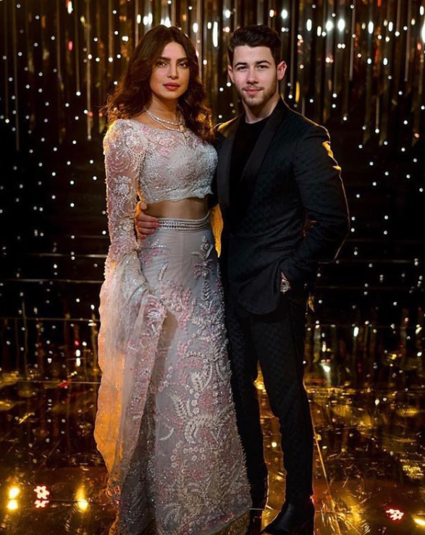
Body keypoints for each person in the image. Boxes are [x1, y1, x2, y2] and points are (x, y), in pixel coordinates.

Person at [135, 25, 350, 535]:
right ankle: (254, 492)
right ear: (231, 73)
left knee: (286, 400)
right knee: (237, 396)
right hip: (227, 289)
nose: (252, 77)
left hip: (276, 295)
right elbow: (198, 199)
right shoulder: (223, 136)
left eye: (262, 66)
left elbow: (334, 222)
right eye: (242, 67)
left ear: (279, 71)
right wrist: (144, 214)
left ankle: (299, 506)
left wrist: (290, 277)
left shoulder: (304, 136)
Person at [94, 25, 251, 535]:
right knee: (165, 390)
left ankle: (206, 507)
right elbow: (119, 225)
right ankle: (164, 511)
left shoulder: (196, 126)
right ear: (145, 67)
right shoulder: (125, 133)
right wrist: (137, 293)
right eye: (163, 62)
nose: (173, 73)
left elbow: (214, 196)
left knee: (207, 388)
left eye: (183, 63)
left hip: (207, 270)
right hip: (161, 276)